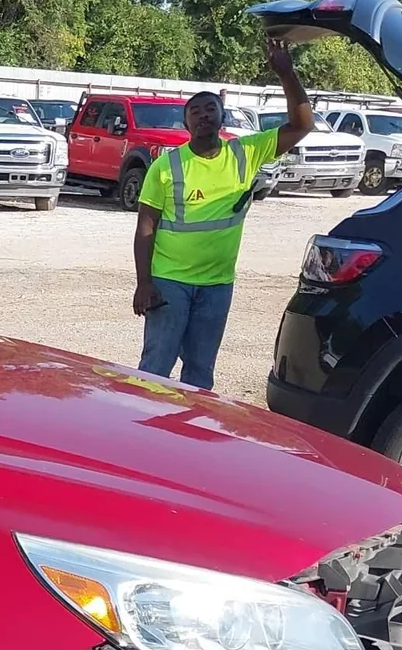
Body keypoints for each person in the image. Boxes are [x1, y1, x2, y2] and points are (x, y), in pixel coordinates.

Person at [131, 37, 313, 389]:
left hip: (217, 286)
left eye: (210, 109)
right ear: (185, 123)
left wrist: (286, 74)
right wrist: (144, 282)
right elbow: (145, 227)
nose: (203, 115)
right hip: (170, 284)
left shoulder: (246, 152)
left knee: (200, 372)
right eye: (195, 111)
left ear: (222, 116)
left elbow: (302, 124)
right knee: (155, 367)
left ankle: (192, 424)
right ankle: (145, 423)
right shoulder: (167, 166)